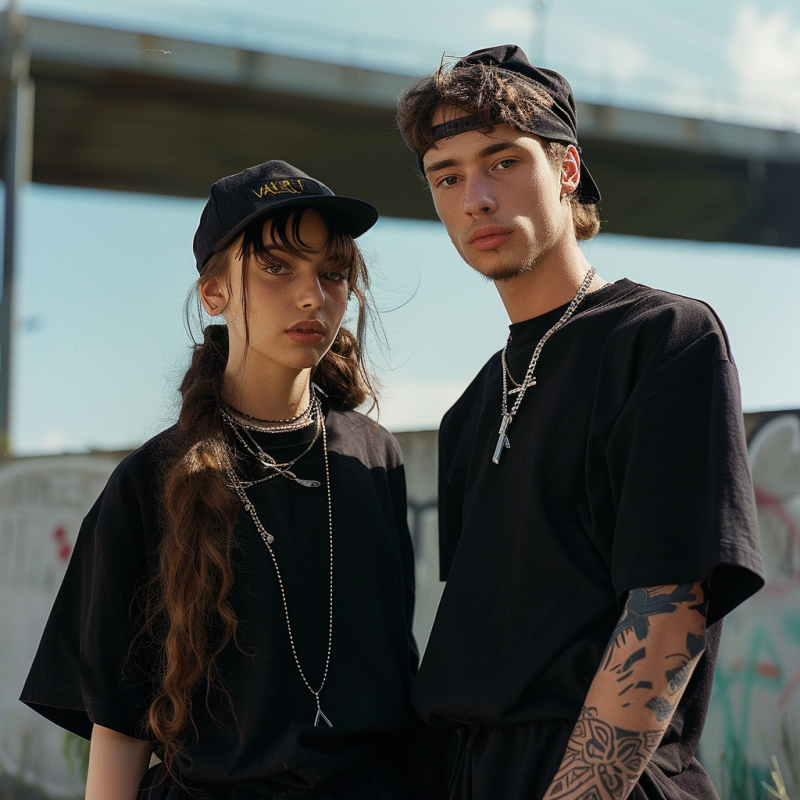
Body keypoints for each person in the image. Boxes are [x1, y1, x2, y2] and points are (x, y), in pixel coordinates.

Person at [395, 45, 764, 800]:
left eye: (502, 162)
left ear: (566, 170)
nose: (476, 199)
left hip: (600, 779)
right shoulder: (467, 411)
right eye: (448, 176)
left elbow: (668, 610)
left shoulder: (663, 338)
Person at [20, 161, 419, 799]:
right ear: (213, 292)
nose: (313, 295)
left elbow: (396, 675)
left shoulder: (373, 458)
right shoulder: (152, 480)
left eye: (332, 273)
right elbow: (121, 723)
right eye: (276, 267)